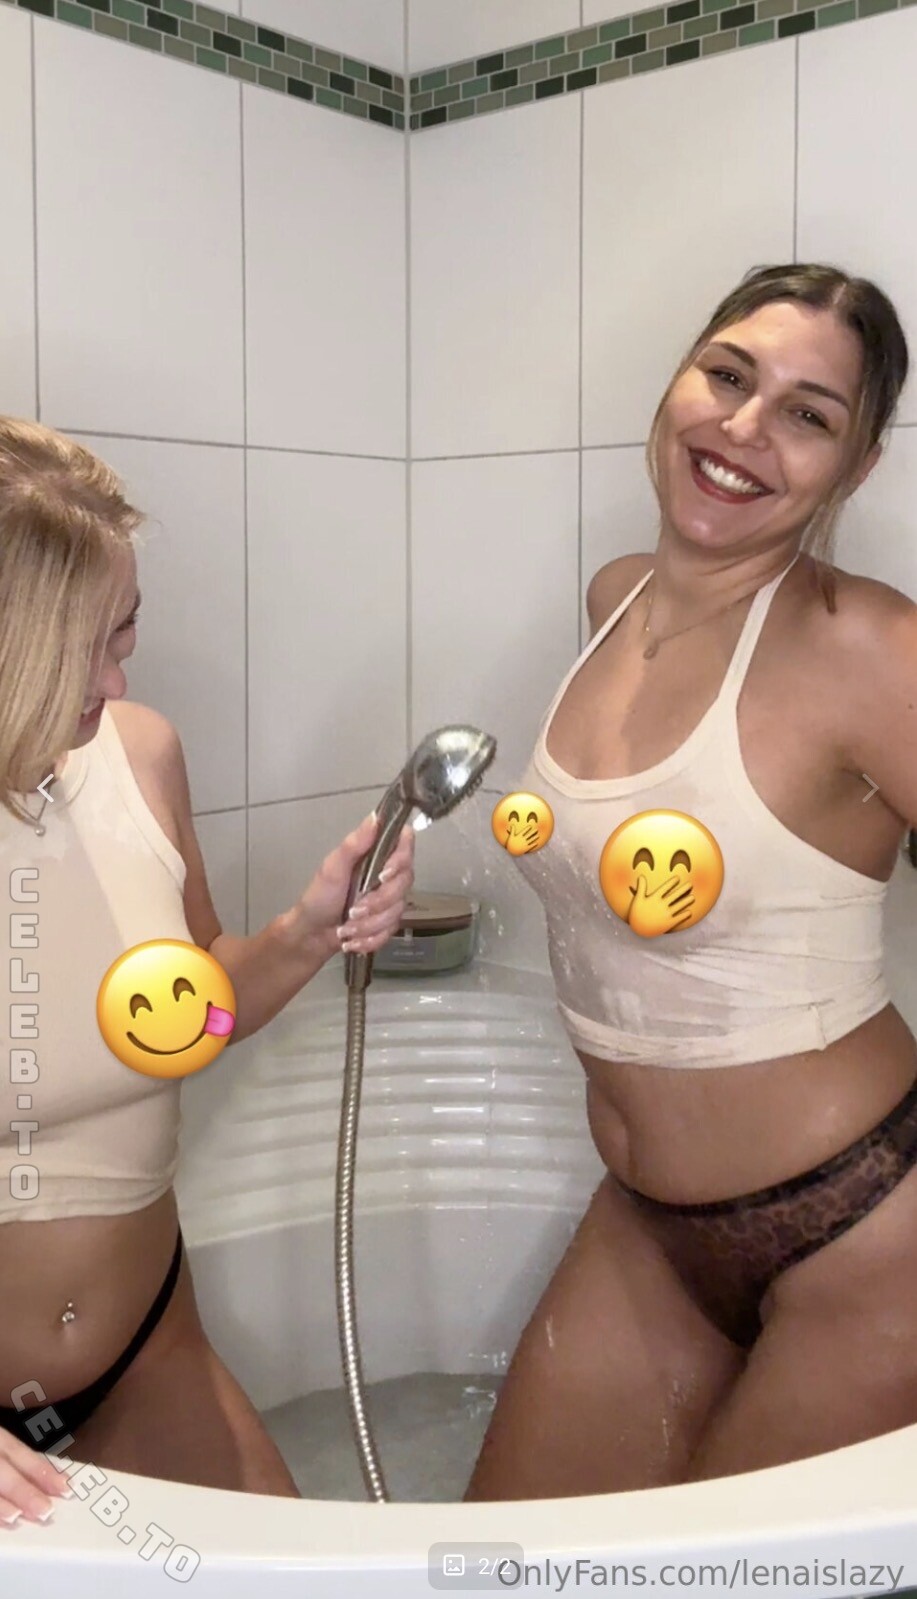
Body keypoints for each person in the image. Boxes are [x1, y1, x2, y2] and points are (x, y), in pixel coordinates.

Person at [465, 263, 917, 1500]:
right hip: (646, 1222)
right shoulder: (613, 599)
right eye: (726, 375)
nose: (742, 427)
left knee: (714, 1579)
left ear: (854, 467)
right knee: (507, 1564)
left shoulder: (871, 649)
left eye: (807, 414)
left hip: (862, 1234)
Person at [0, 418, 414, 1525]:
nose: (114, 676)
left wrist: (310, 929)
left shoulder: (139, 755)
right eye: (80, 645)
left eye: (125, 631)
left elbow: (198, 1006)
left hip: (147, 1351)